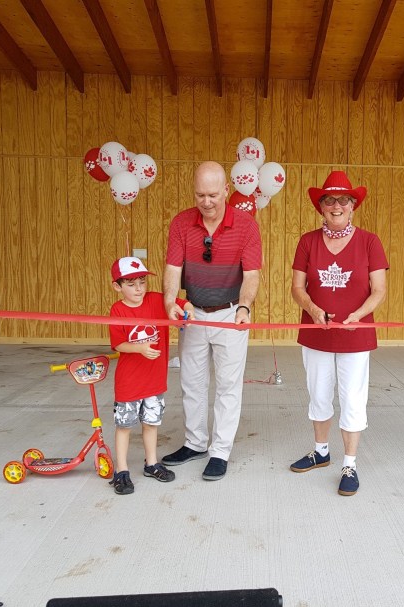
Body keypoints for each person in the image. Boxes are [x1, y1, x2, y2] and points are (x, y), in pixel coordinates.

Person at [161, 161, 262, 481]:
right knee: (191, 382)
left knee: (228, 386)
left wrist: (244, 307)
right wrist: (170, 302)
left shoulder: (246, 225)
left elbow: (252, 274)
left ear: (226, 191)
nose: (206, 202)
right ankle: (194, 443)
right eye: (200, 195)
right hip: (193, 313)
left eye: (213, 195)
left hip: (231, 313)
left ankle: (220, 451)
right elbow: (173, 269)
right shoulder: (181, 223)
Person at [289, 170, 388, 496]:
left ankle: (349, 463)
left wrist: (359, 315)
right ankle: (320, 451)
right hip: (316, 332)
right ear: (321, 206)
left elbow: (379, 289)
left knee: (352, 398)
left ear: (352, 205)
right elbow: (297, 288)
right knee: (318, 393)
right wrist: (313, 309)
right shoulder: (307, 241)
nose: (336, 206)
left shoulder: (369, 241)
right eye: (330, 200)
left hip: (355, 334)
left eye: (343, 200)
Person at [108, 256, 195, 495]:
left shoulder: (157, 300)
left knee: (151, 424)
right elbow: (118, 344)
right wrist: (140, 348)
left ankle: (151, 463)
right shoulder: (117, 310)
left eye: (142, 282)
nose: (138, 289)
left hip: (154, 381)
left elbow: (182, 303)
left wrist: (187, 311)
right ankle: (121, 470)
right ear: (117, 286)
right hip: (129, 382)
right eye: (131, 284)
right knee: (124, 426)